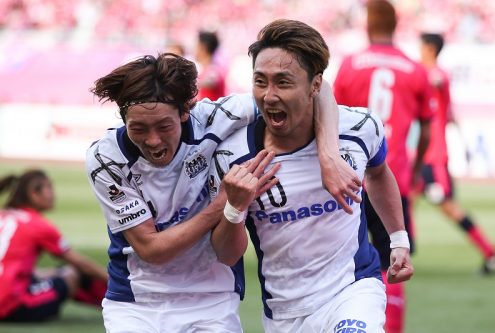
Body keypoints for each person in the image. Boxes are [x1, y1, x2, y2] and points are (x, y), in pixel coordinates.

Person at [86, 52, 361, 333]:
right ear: (123, 120)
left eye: (164, 126)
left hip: (212, 299)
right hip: (137, 303)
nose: (153, 140)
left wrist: (328, 156)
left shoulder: (216, 118)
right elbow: (151, 249)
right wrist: (226, 204)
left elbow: (318, 90)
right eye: (138, 129)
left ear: (184, 112)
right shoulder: (106, 157)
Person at [208, 19, 413, 333]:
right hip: (285, 313)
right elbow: (225, 254)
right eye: (260, 81)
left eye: (283, 82)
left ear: (315, 85)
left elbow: (379, 172)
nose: (269, 95)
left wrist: (398, 241)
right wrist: (234, 207)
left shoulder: (358, 129)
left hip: (352, 290)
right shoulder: (233, 156)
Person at [333, 1, 435, 332]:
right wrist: (417, 166)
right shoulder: (415, 69)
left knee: (351, 260)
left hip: (353, 178)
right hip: (395, 176)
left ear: (367, 25)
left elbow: (330, 121)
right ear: (396, 24)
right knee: (397, 255)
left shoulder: (350, 65)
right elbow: (427, 130)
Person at [418, 32, 495, 274]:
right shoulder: (427, 75)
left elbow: (436, 86)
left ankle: (490, 253)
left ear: (431, 49)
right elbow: (449, 114)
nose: (419, 50)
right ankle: (392, 257)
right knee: (393, 201)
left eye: (422, 46)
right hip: (418, 156)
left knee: (448, 207)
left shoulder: (435, 75)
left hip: (433, 157)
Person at [0, 169, 108, 322]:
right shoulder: (37, 224)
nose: (53, 194)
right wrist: (113, 279)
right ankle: (120, 304)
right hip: (9, 306)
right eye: (49, 187)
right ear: (33, 193)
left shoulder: (3, 215)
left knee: (49, 272)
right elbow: (81, 264)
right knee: (71, 275)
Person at [195, 30, 227, 101]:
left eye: (196, 46)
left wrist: (191, 83)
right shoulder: (208, 68)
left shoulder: (213, 68)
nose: (194, 50)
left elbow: (212, 81)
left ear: (203, 48)